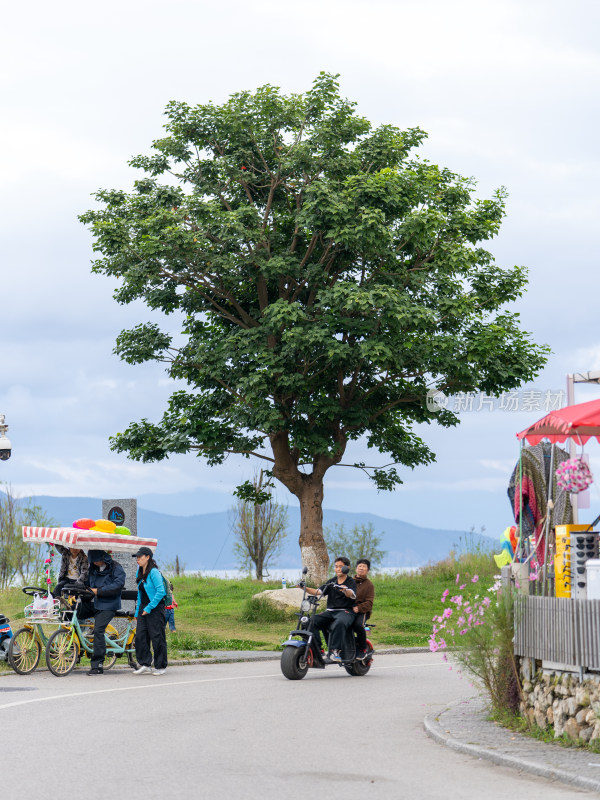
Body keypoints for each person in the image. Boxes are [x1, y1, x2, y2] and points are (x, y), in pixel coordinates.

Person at [79, 550, 126, 676]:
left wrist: (98, 591)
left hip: (109, 605)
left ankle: (97, 665)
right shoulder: (92, 568)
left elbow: (118, 585)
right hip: (93, 603)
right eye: (92, 561)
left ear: (104, 558)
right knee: (73, 614)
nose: (95, 563)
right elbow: (87, 584)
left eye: (97, 560)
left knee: (98, 630)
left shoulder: (116, 567)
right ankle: (75, 653)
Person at [305, 556, 357, 662]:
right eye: (336, 566)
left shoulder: (351, 581)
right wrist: (304, 588)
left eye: (340, 567)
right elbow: (318, 592)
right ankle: (318, 650)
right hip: (330, 612)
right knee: (310, 621)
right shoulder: (331, 581)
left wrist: (345, 590)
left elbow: (351, 594)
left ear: (347, 568)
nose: (337, 569)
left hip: (345, 612)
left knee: (340, 623)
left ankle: (335, 651)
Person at [131, 547, 168, 675]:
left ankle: (161, 666)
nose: (138, 560)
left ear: (148, 557)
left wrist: (149, 608)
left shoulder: (154, 572)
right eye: (137, 557)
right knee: (141, 636)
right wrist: (138, 611)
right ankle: (145, 663)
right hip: (144, 607)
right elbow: (140, 594)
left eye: (140, 557)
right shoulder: (139, 572)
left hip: (156, 608)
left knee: (157, 637)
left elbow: (161, 592)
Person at [352, 558, 375, 660]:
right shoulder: (350, 581)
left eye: (364, 566)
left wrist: (359, 608)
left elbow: (369, 602)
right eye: (359, 566)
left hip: (363, 611)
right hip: (349, 609)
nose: (361, 568)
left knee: (358, 625)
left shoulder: (369, 585)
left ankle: (363, 649)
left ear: (367, 570)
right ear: (356, 568)